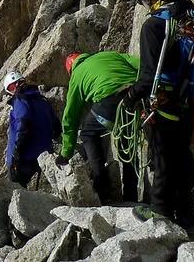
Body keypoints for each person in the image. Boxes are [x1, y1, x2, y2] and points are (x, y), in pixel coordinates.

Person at [123, 0, 194, 230]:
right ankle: (187, 215)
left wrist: (131, 96)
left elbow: (147, 76)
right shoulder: (185, 14)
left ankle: (162, 211)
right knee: (182, 153)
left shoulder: (154, 26)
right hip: (188, 98)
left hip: (162, 102)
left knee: (161, 155)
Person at [58, 51, 140, 203]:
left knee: (88, 135)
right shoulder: (111, 55)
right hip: (136, 97)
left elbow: (70, 116)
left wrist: (66, 153)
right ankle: (131, 196)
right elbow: (140, 64)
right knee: (127, 144)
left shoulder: (77, 75)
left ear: (70, 70)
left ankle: (103, 189)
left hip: (108, 103)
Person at [3, 71, 57, 186]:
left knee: (15, 191)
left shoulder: (20, 99)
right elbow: (56, 125)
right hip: (43, 154)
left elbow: (23, 124)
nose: (16, 88)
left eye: (13, 86)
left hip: (24, 156)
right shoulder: (41, 99)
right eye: (13, 86)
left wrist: (17, 151)